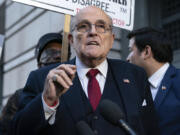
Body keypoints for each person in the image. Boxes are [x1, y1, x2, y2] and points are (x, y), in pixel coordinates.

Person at [13, 6, 159, 135]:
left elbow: (150, 128)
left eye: (101, 26)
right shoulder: (41, 78)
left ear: (111, 39)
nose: (93, 32)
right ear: (71, 40)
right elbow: (19, 130)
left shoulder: (135, 75)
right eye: (83, 26)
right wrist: (47, 100)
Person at [0, 32, 67, 135]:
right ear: (39, 63)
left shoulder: (77, 94)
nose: (57, 56)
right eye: (50, 53)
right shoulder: (19, 98)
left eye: (62, 53)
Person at [127, 27, 180, 135]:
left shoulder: (177, 80)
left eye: (131, 50)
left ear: (146, 51)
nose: (127, 58)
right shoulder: (133, 87)